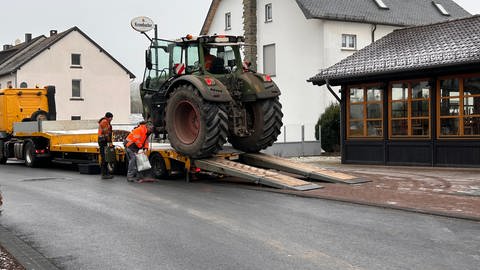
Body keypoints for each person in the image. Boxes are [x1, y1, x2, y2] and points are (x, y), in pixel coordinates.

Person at [98, 112, 114, 179]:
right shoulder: (104, 122)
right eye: (111, 118)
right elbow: (107, 133)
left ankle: (105, 173)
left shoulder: (105, 122)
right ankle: (104, 174)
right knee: (105, 158)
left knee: (106, 157)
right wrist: (109, 142)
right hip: (103, 141)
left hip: (103, 141)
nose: (112, 119)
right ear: (109, 117)